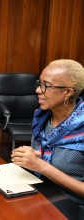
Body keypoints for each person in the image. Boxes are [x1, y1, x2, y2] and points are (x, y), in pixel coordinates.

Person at [11, 59, 84, 209]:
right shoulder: (42, 117)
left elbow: (42, 166)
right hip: (39, 193)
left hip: (72, 206)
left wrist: (41, 166)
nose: (38, 90)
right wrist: (28, 157)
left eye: (47, 86)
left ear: (68, 93)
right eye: (39, 83)